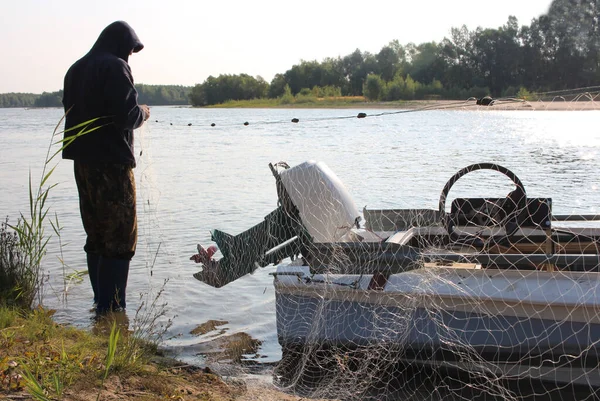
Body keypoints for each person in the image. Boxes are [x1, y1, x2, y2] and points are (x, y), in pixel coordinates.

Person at [62, 21, 150, 313]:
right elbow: (127, 116)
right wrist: (144, 113)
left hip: (83, 165)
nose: (129, 57)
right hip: (112, 166)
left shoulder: (76, 69)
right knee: (121, 237)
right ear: (122, 46)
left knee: (97, 236)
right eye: (130, 51)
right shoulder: (115, 67)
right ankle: (113, 309)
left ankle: (101, 306)